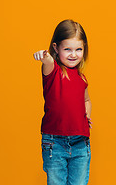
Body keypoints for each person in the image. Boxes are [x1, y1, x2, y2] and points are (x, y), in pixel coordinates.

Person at [33, 19, 92, 185]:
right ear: (56, 48)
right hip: (55, 143)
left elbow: (86, 100)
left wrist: (86, 115)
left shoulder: (81, 77)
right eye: (68, 49)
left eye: (78, 49)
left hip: (80, 143)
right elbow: (49, 61)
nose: (73, 54)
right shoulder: (53, 71)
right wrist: (44, 56)